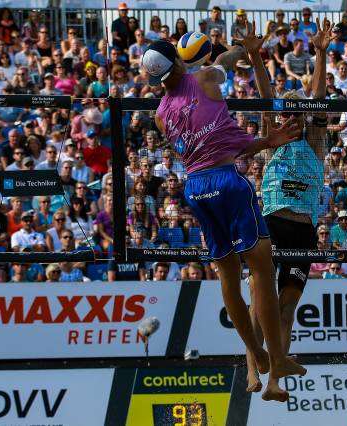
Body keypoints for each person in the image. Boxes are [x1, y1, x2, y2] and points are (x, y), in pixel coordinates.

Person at [142, 27, 305, 400]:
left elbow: (211, 145)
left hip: (196, 189)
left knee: (228, 276)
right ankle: (276, 359)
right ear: (178, 62)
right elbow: (228, 62)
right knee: (263, 271)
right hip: (227, 182)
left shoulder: (161, 115)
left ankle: (257, 353)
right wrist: (244, 48)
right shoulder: (204, 78)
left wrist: (264, 141)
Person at [244, 18, 332, 395]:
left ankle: (275, 381)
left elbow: (318, 98)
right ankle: (252, 371)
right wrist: (255, 56)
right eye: (286, 112)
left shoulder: (315, 140)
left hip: (303, 232)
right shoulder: (273, 136)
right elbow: (267, 96)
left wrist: (321, 53)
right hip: (272, 224)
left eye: (296, 112)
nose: (290, 116)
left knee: (286, 309)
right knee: (259, 303)